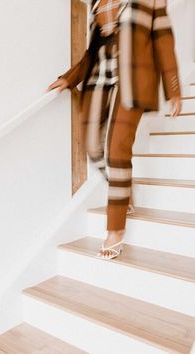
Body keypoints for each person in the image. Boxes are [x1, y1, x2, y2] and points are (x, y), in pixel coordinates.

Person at [47, 0, 182, 260]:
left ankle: (114, 229)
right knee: (93, 148)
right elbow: (92, 51)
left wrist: (173, 89)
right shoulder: (97, 2)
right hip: (99, 78)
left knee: (117, 150)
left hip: (134, 80)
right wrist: (69, 77)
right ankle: (125, 189)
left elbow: (162, 38)